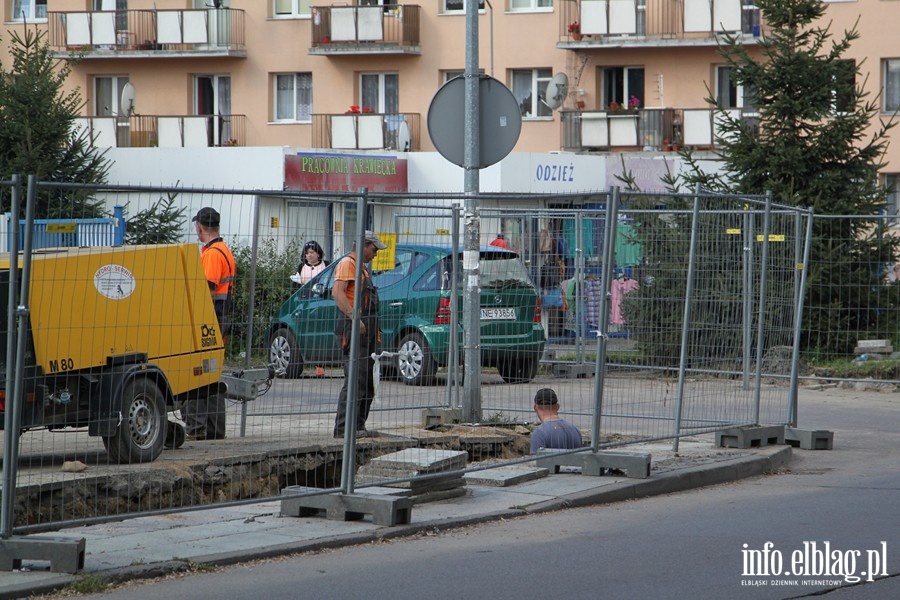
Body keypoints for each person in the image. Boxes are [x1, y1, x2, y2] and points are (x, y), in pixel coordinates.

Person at [184, 206, 235, 441]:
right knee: (212, 372)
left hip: (212, 318)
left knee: (199, 371)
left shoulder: (213, 254)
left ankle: (197, 428)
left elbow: (209, 290)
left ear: (200, 227)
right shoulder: (223, 250)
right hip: (221, 317)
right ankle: (214, 429)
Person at [332, 230, 387, 438]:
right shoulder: (348, 264)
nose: (376, 254)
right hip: (352, 327)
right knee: (356, 378)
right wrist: (355, 317)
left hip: (367, 330)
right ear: (364, 246)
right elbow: (337, 293)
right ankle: (344, 429)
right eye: (374, 249)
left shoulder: (362, 268)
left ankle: (358, 426)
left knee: (367, 381)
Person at [530, 388, 582, 453]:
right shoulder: (574, 429)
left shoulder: (539, 433)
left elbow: (535, 461)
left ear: (535, 407)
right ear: (557, 406)